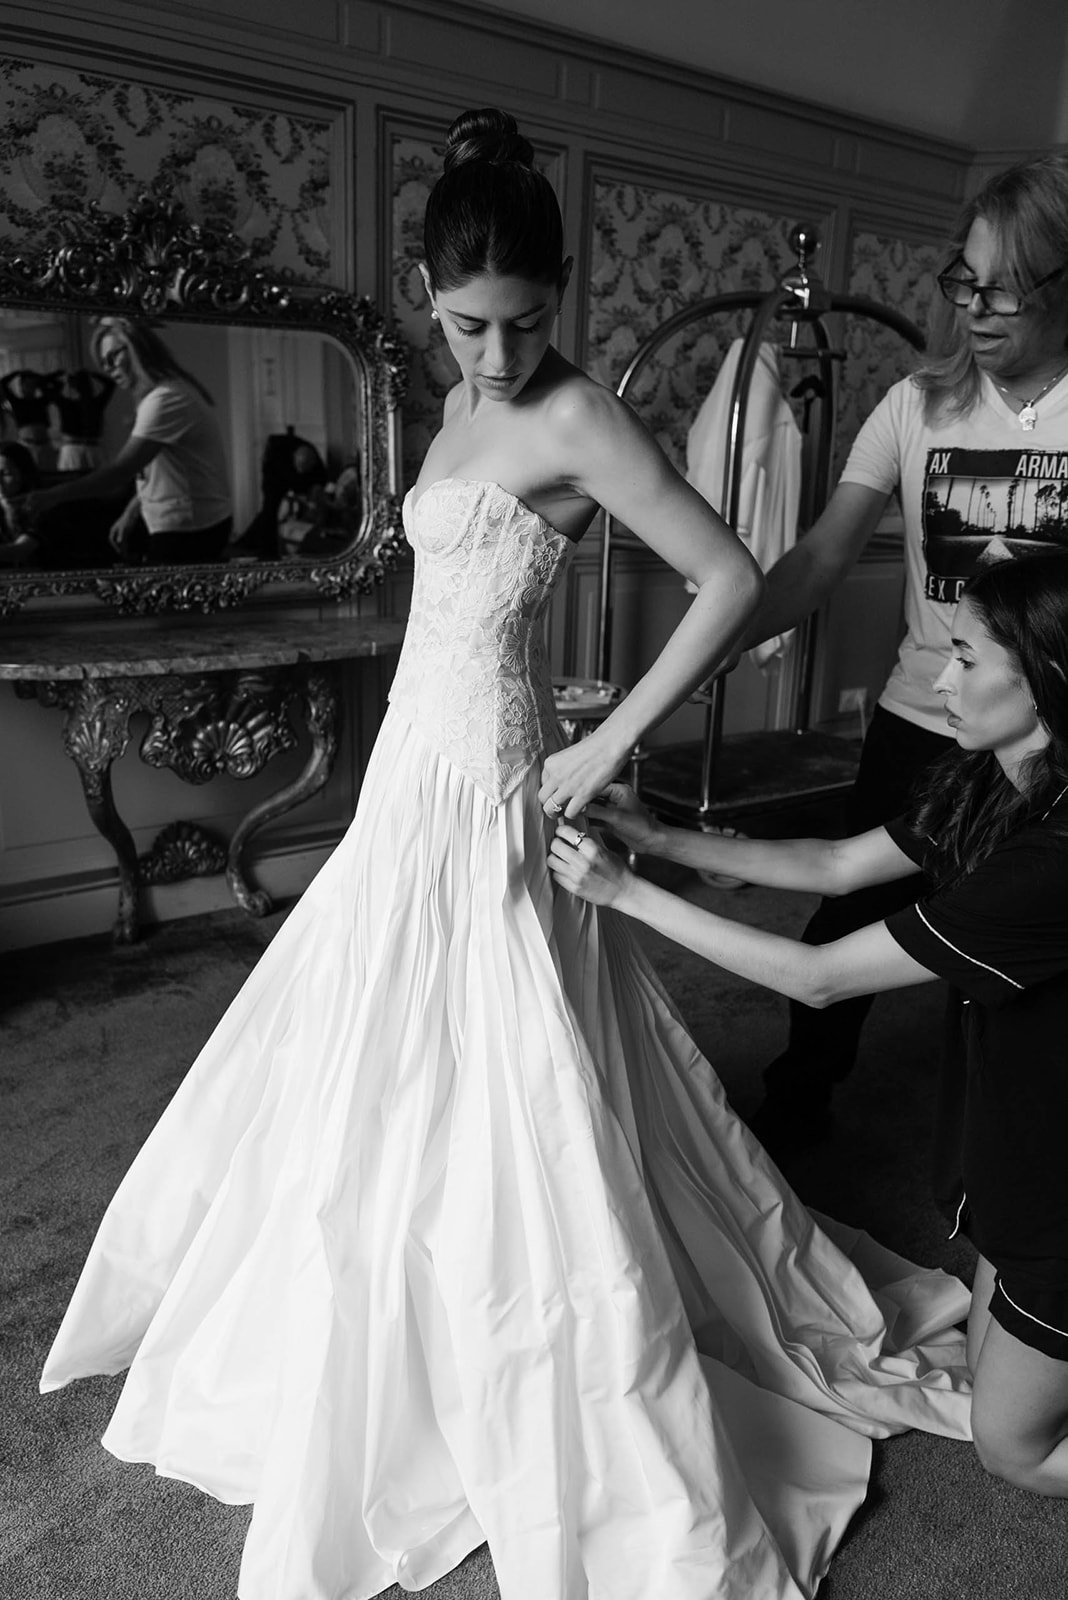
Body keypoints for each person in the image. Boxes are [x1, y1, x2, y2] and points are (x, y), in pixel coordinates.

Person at [39, 109, 971, 1600]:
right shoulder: (452, 405)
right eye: (469, 325)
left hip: (506, 779)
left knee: (509, 1059)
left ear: (561, 307)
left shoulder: (577, 416)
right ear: (425, 296)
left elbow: (728, 578)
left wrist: (606, 751)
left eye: (525, 325)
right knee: (372, 1053)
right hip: (421, 762)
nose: (495, 355)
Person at [551, 548, 1068, 1498]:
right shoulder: (993, 778)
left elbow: (823, 976)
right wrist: (660, 837)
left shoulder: (1056, 855)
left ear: (1044, 683)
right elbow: (834, 866)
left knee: (1013, 1449)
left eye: (965, 660)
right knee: (994, 1357)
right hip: (1023, 1141)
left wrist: (629, 895)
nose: (937, 677)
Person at [732, 151, 1068, 1160]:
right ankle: (797, 1103)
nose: (977, 306)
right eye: (965, 279)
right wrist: (715, 643)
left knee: (1030, 973)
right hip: (922, 722)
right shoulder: (915, 406)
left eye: (1005, 285)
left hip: (1049, 756)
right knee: (847, 915)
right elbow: (821, 557)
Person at [22, 318, 232, 563]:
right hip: (182, 522)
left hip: (190, 527)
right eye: (103, 363)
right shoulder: (159, 396)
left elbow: (120, 471)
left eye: (113, 357)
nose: (109, 369)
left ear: (137, 348)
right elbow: (151, 471)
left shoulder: (165, 399)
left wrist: (52, 496)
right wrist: (132, 512)